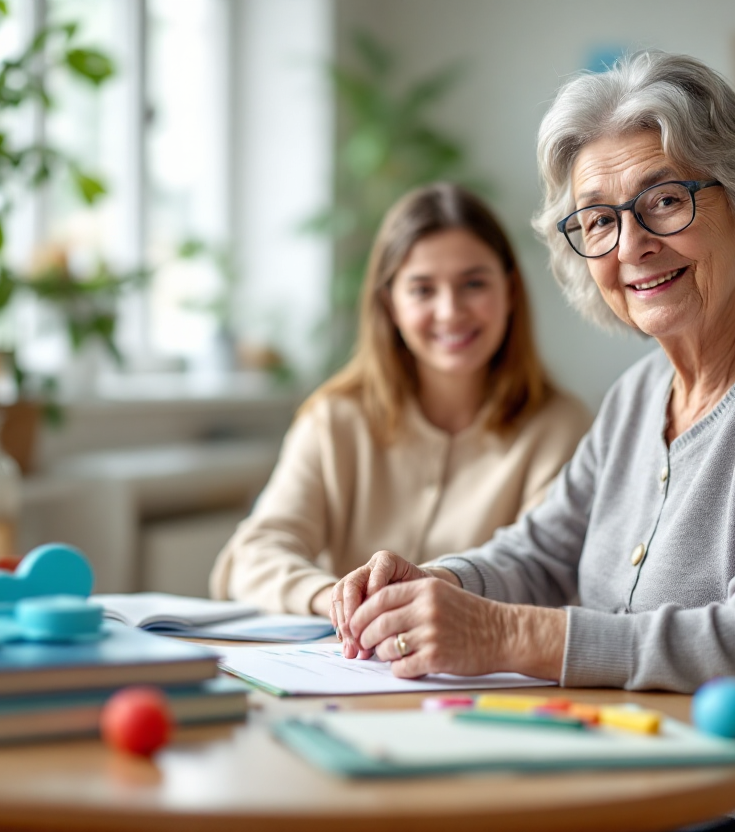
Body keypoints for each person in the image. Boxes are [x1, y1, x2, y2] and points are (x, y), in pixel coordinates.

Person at [330, 52, 735, 832]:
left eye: (665, 201)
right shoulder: (640, 394)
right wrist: (435, 584)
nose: (631, 244)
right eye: (599, 219)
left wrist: (496, 633)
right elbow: (541, 554)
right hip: (653, 784)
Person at [209, 182, 591, 617]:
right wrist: (337, 601)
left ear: (510, 293)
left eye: (473, 284)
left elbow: (543, 575)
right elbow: (253, 555)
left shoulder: (561, 426)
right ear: (390, 304)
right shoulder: (335, 419)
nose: (450, 310)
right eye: (422, 289)